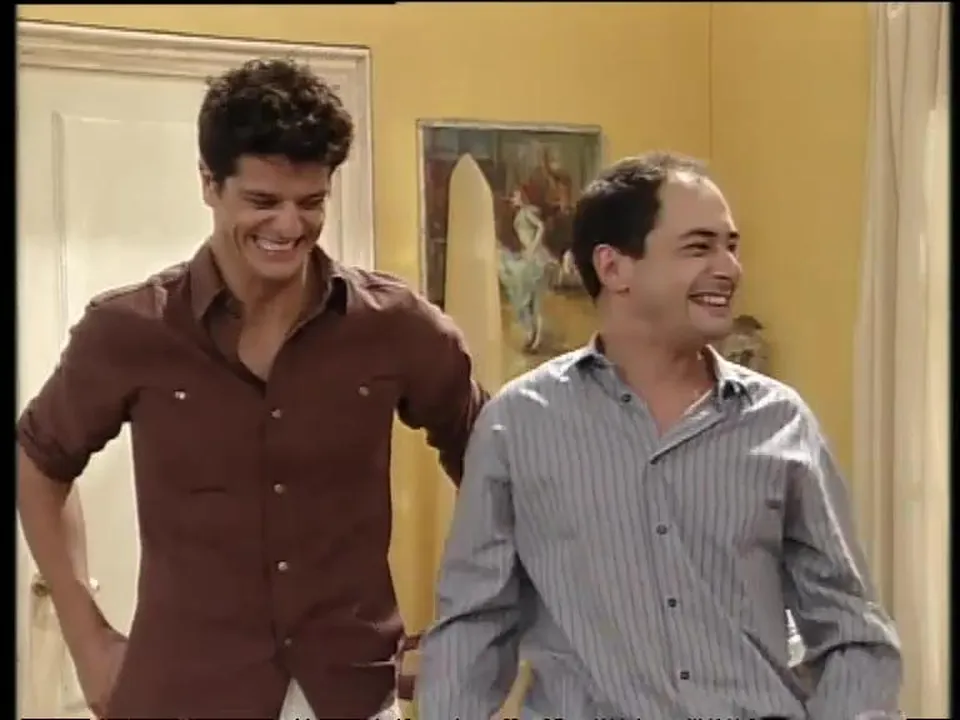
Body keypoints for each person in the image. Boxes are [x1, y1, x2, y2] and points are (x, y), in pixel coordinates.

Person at [16, 58, 485, 720]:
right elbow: (38, 463)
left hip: (349, 693)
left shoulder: (395, 326)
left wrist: (470, 625)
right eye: (263, 201)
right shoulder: (130, 330)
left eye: (311, 202)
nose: (289, 227)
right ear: (209, 183)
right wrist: (87, 639)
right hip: (184, 694)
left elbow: (495, 460)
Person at [415, 152, 902, 719]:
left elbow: (851, 628)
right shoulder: (517, 424)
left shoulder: (780, 421)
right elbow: (474, 625)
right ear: (614, 267)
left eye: (731, 246)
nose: (729, 268)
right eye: (699, 247)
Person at [498, 186, 549, 352]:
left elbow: (541, 227)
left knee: (534, 303)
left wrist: (533, 247)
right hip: (530, 258)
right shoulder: (520, 214)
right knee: (528, 301)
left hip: (536, 259)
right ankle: (531, 336)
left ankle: (536, 339)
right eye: (513, 197)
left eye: (516, 196)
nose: (513, 199)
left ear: (522, 198)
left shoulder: (526, 212)